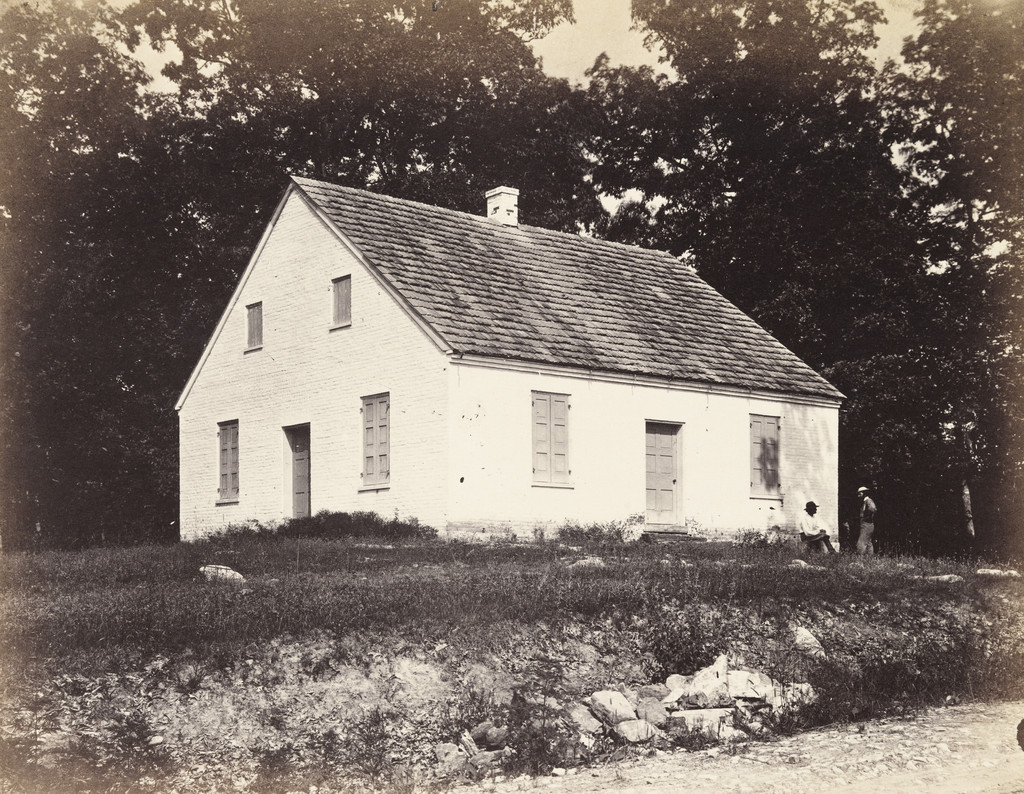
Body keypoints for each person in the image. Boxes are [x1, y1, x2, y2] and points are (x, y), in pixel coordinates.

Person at [857, 486, 877, 555]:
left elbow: (873, 508)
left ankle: (859, 559)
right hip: (867, 524)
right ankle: (870, 559)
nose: (858, 495)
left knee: (861, 542)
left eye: (860, 494)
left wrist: (867, 517)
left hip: (867, 524)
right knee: (868, 542)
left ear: (865, 493)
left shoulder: (868, 500)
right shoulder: (865, 501)